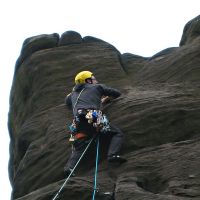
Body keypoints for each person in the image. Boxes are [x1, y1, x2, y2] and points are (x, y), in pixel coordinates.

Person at [64, 70, 126, 176]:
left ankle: (69, 167)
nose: (96, 80)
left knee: (79, 147)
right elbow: (116, 93)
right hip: (92, 115)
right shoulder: (97, 87)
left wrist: (98, 101)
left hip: (77, 122)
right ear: (88, 80)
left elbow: (68, 102)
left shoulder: (72, 95)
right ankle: (112, 155)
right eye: (93, 78)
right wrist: (106, 98)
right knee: (117, 133)